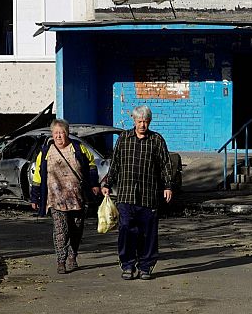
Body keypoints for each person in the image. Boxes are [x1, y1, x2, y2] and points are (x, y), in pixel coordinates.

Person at [101, 105, 174, 280]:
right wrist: (107, 183)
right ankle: (127, 265)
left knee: (148, 233)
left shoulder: (156, 140)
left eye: (145, 121)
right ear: (133, 121)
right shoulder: (124, 138)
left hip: (149, 196)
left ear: (150, 122)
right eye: (139, 121)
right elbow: (116, 164)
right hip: (126, 195)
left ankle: (146, 266)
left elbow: (165, 165)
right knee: (126, 229)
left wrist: (168, 186)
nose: (142, 125)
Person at [31, 119, 100, 273]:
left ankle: (72, 255)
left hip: (77, 198)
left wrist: (94, 184)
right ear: (52, 135)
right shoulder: (45, 152)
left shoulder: (78, 148)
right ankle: (61, 260)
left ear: (67, 133)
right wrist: (35, 198)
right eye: (56, 133)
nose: (59, 136)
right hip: (56, 199)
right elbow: (37, 177)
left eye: (61, 132)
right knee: (61, 230)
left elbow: (91, 165)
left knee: (76, 228)